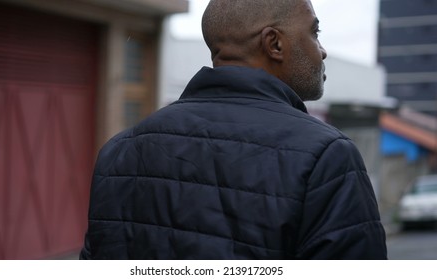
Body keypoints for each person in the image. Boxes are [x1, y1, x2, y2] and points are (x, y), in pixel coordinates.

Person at [80, 0, 387, 259]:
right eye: (314, 32)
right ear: (274, 44)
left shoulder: (119, 152)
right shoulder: (327, 157)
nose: (322, 51)